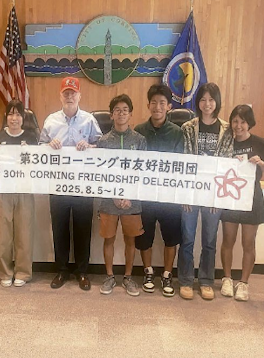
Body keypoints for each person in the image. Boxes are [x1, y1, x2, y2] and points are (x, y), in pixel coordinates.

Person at [40, 77, 102, 291]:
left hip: (83, 184)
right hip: (58, 184)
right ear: (60, 96)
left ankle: (82, 271)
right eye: (66, 93)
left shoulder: (89, 120)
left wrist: (90, 146)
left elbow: (102, 146)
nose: (69, 96)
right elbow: (38, 148)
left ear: (79, 96)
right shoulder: (51, 121)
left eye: (73, 93)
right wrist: (49, 145)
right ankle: (62, 270)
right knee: (60, 228)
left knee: (83, 228)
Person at [178, 82, 233, 300]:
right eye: (203, 99)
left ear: (217, 102)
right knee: (187, 238)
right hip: (191, 192)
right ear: (197, 102)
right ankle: (185, 280)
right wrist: (186, 193)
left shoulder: (227, 129)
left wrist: (217, 196)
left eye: (211, 99)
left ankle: (206, 280)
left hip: (214, 194)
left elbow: (227, 163)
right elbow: (184, 162)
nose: (207, 104)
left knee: (209, 240)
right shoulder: (188, 127)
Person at [134, 84, 184, 297]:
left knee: (170, 238)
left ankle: (167, 274)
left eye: (162, 103)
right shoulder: (138, 131)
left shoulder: (177, 133)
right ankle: (148, 272)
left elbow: (181, 165)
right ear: (148, 105)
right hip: (145, 196)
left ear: (169, 106)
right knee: (144, 237)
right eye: (154, 102)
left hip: (169, 196)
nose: (157, 107)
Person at [220, 105, 264, 301]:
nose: (238, 125)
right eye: (235, 121)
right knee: (228, 240)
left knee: (248, 243)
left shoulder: (259, 142)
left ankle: (243, 283)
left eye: (243, 122)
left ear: (250, 123)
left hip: (252, 198)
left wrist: (261, 163)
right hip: (230, 196)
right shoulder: (227, 142)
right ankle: (227, 279)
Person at [97, 94, 146, 296]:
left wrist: (130, 196)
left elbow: (143, 172)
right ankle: (109, 276)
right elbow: (100, 172)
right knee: (108, 239)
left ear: (130, 114)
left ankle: (128, 277)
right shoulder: (103, 141)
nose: (121, 113)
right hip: (109, 200)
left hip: (132, 201)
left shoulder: (140, 140)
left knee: (130, 240)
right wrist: (114, 195)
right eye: (117, 110)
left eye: (125, 110)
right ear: (111, 115)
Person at [0, 99, 39, 287]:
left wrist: (30, 152)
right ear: (6, 116)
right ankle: (5, 273)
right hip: (3, 190)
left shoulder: (31, 137)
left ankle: (23, 272)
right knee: (2, 235)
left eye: (18, 114)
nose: (14, 118)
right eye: (11, 114)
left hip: (24, 190)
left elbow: (38, 165)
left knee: (24, 233)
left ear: (23, 117)